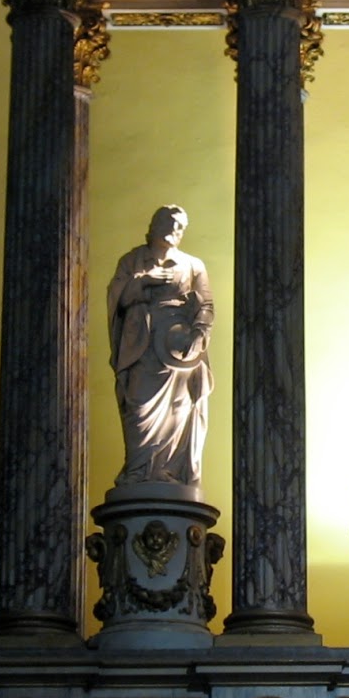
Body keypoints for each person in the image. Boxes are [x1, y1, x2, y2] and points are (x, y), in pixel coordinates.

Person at [106, 204, 214, 487]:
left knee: (179, 409)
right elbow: (117, 299)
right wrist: (143, 282)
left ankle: (169, 471)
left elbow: (206, 305)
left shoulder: (193, 265)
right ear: (155, 225)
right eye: (170, 222)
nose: (175, 229)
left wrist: (198, 333)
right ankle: (138, 470)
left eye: (181, 226)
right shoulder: (132, 261)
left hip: (178, 349)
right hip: (141, 345)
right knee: (139, 407)